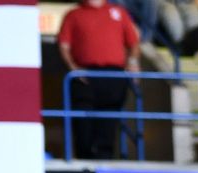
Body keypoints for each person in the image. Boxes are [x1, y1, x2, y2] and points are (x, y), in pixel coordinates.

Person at [55, 0, 141, 161]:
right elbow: (64, 45)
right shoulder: (73, 14)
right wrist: (73, 68)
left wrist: (133, 62)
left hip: (113, 75)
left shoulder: (119, 12)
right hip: (84, 76)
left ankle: (104, 158)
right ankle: (84, 159)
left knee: (108, 123)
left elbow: (133, 43)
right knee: (82, 124)